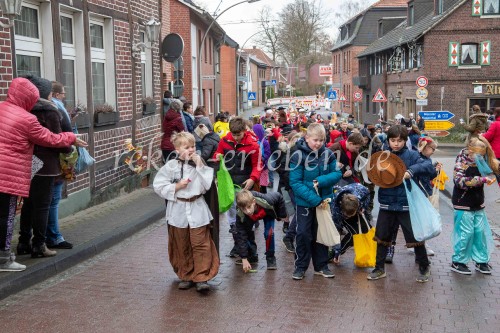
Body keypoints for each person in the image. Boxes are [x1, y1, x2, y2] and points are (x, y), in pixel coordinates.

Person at [0, 77, 86, 272]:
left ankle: (20, 244)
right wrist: (71, 138)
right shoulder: (30, 117)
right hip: (15, 172)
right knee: (16, 213)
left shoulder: (2, 108)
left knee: (21, 208)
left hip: (15, 169)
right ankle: (11, 255)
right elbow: (51, 138)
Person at [366, 125, 434, 283]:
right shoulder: (382, 155)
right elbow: (372, 173)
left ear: (405, 140)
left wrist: (411, 171)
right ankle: (379, 268)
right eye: (393, 140)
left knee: (415, 238)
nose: (396, 143)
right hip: (387, 202)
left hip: (406, 204)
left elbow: (427, 166)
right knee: (382, 237)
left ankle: (424, 266)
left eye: (399, 140)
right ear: (388, 140)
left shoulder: (412, 155)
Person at [153, 132, 219, 292]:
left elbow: (207, 185)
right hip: (178, 210)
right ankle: (186, 275)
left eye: (193, 146)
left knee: (200, 244)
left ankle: (201, 277)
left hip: (197, 208)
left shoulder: (200, 163)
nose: (191, 150)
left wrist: (200, 166)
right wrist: (176, 187)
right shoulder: (170, 166)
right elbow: (158, 185)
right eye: (186, 147)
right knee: (181, 243)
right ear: (177, 149)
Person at [18, 76, 74, 258]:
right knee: (43, 205)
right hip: (46, 165)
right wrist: (70, 146)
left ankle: (23, 242)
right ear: (46, 94)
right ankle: (39, 245)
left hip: (27, 162)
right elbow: (59, 140)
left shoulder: (23, 109)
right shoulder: (50, 111)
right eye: (50, 93)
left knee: (28, 204)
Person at [289, 123, 341, 280]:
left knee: (321, 233)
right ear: (307, 138)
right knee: (303, 233)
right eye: (315, 140)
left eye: (321, 140)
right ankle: (300, 267)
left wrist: (321, 180)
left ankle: (321, 266)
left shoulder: (328, 154)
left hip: (323, 202)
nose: (318, 143)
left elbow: (337, 174)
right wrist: (315, 200)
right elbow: (295, 182)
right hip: (306, 202)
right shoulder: (298, 155)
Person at [213, 117, 262, 258]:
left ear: (244, 131)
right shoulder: (224, 141)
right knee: (232, 218)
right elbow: (217, 153)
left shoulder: (253, 145)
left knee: (246, 217)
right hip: (228, 184)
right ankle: (237, 246)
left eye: (238, 135)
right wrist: (217, 156)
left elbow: (257, 166)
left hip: (244, 184)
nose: (236, 138)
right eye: (233, 135)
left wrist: (253, 179)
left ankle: (250, 250)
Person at [450, 136, 497, 275]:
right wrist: (481, 180)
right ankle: (458, 261)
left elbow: (491, 170)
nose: (481, 158)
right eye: (479, 155)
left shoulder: (481, 159)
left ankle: (481, 260)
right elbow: (458, 181)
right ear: (470, 151)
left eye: (482, 155)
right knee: (466, 233)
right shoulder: (462, 159)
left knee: (480, 232)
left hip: (478, 202)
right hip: (463, 203)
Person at [45, 81, 74, 250]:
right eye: (63, 94)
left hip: (44, 163)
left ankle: (35, 239)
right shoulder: (54, 109)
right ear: (54, 95)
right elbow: (64, 134)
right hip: (54, 161)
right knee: (53, 200)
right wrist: (70, 145)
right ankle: (53, 236)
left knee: (42, 202)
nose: (64, 97)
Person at [235, 190, 287, 271]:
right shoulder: (241, 214)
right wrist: (244, 258)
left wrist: (281, 214)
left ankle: (270, 257)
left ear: (254, 202)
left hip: (267, 213)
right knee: (245, 234)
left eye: (249, 207)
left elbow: (279, 196)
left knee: (269, 233)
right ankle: (252, 256)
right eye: (243, 209)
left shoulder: (267, 200)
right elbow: (241, 236)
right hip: (251, 218)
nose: (247, 211)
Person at [331, 183, 372, 263]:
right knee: (354, 233)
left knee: (365, 230)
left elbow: (368, 195)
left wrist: (363, 207)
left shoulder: (361, 194)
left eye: (352, 214)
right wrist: (337, 251)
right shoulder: (336, 209)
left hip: (357, 203)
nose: (350, 217)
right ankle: (335, 253)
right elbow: (336, 232)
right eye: (348, 215)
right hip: (341, 209)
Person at [482, 107, 500, 202]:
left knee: (498, 174)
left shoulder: (495, 124)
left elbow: (488, 136)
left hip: (497, 153)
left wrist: (480, 136)